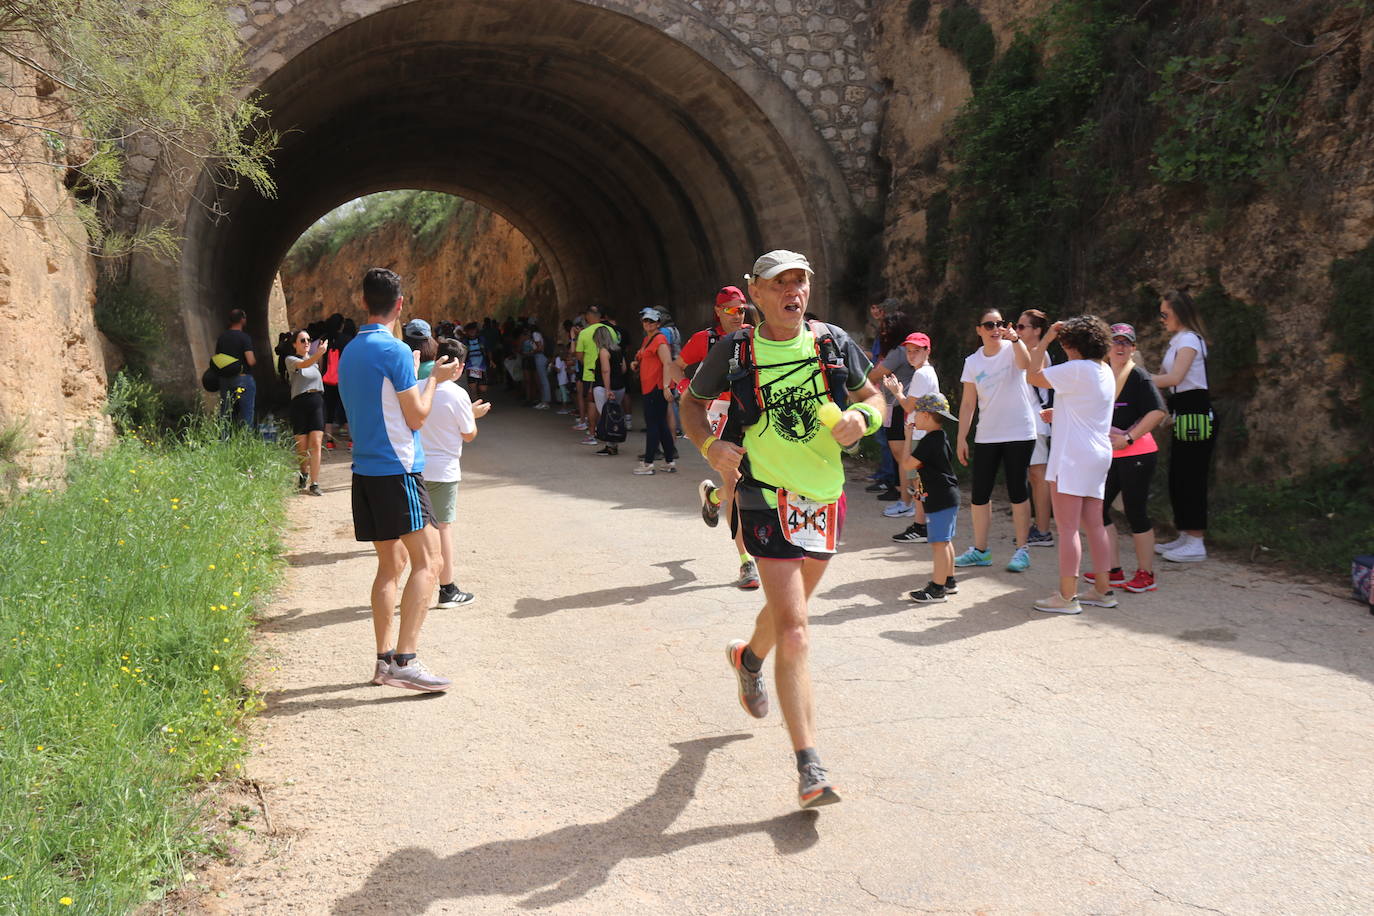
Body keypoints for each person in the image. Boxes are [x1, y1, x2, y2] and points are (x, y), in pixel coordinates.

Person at [684, 249, 882, 809]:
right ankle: (810, 765)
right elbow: (692, 406)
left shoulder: (832, 343)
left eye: (801, 283)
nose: (793, 292)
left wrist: (860, 419)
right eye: (780, 284)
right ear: (755, 292)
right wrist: (708, 445)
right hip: (763, 495)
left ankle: (747, 658)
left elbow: (875, 398)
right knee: (796, 628)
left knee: (784, 615)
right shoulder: (735, 349)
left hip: (824, 498)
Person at [338, 267, 461, 692]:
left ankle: (383, 659)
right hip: (399, 471)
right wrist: (433, 379)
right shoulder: (392, 352)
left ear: (364, 301)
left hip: (366, 472)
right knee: (431, 561)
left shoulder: (351, 349)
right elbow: (417, 415)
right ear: (401, 305)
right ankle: (406, 661)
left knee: (390, 566)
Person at [1026, 316, 1117, 615]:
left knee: (1067, 529)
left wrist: (1045, 340)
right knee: (1095, 524)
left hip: (1073, 457)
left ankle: (1067, 597)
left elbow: (1032, 374)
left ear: (1070, 344)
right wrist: (1061, 412)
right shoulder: (1104, 370)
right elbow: (1086, 407)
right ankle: (1103, 591)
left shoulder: (1076, 369)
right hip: (1098, 454)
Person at [675, 285, 759, 590]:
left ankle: (712, 497)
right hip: (719, 413)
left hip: (751, 411)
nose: (738, 316)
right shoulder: (704, 339)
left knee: (751, 483)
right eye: (731, 311)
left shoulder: (755, 335)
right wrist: (686, 387)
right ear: (718, 312)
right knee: (736, 484)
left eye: (742, 310)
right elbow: (676, 365)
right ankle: (746, 562)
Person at [1086, 323, 1168, 593]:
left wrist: (1128, 438)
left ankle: (1147, 574)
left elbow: (1158, 412)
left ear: (1133, 348)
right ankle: (1114, 569)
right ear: (1106, 347)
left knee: (1136, 513)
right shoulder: (1102, 374)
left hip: (1138, 454)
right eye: (1115, 341)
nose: (1120, 346)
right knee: (1097, 510)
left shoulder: (1139, 376)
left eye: (1125, 342)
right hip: (1109, 455)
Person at [954, 309, 1036, 573]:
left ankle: (1022, 550)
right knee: (979, 494)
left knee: (1017, 490)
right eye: (989, 324)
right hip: (987, 434)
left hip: (1019, 432)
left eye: (999, 323)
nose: (995, 328)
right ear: (979, 329)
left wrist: (1016, 340)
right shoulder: (973, 361)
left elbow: (1026, 365)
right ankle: (980, 550)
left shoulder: (1013, 349)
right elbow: (968, 404)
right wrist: (961, 438)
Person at [420, 337, 491, 608]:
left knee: (420, 528)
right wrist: (472, 415)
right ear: (460, 367)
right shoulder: (458, 393)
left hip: (417, 467)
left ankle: (420, 582)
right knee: (443, 528)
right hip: (444, 470)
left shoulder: (418, 387)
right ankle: (447, 588)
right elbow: (468, 434)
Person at [1151, 289, 1213, 563]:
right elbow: (1166, 378)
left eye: (1166, 314)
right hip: (1182, 410)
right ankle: (1187, 535)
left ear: (1180, 313)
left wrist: (1137, 377)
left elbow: (1175, 376)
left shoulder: (1189, 340)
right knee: (1179, 476)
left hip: (1195, 412)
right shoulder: (1178, 340)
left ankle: (1196, 540)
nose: (1162, 319)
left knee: (1192, 477)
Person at [901, 393, 961, 602]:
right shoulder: (940, 436)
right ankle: (949, 581)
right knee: (945, 541)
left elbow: (907, 463)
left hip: (940, 499)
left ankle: (937, 588)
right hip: (947, 496)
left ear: (926, 415)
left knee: (938, 543)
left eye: (916, 413)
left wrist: (908, 437)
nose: (914, 418)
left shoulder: (929, 441)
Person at [883, 332, 941, 543]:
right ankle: (921, 524)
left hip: (920, 433)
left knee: (919, 483)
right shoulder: (927, 372)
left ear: (927, 351)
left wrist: (896, 391)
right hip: (923, 432)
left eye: (917, 350)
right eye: (909, 351)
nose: (912, 354)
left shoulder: (921, 375)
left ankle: (920, 526)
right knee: (920, 483)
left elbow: (908, 406)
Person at [867, 310, 917, 508]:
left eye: (886, 328)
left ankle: (909, 500)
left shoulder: (898, 352)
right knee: (902, 456)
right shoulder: (902, 351)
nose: (883, 333)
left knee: (902, 456)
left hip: (898, 408)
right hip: (896, 407)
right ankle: (904, 497)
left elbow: (876, 374)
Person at [1016, 309, 1056, 547]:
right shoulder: (1028, 352)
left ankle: (1043, 530)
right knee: (1034, 476)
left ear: (1037, 330)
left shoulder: (1038, 354)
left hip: (1035, 422)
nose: (1017, 331)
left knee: (1038, 476)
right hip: (1026, 422)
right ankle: (1039, 527)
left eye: (1022, 327)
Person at [279, 328, 328, 496]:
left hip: (316, 402)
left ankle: (314, 483)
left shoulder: (314, 362)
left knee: (315, 443)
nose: (307, 342)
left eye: (308, 339)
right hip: (299, 403)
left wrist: (318, 355)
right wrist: (319, 353)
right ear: (294, 344)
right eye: (302, 340)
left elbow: (313, 365)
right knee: (302, 446)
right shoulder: (291, 359)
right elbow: (303, 364)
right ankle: (303, 474)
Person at [631, 308, 678, 474]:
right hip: (650, 387)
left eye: (651, 321)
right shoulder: (648, 340)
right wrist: (635, 363)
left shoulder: (660, 340)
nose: (648, 324)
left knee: (653, 425)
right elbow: (643, 356)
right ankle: (670, 461)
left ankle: (648, 463)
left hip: (656, 388)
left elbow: (667, 363)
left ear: (658, 323)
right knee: (661, 425)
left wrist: (666, 387)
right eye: (645, 321)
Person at [212, 309, 257, 429]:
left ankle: (224, 441)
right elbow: (250, 361)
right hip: (242, 379)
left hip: (225, 380)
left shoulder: (222, 337)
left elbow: (218, 359)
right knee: (246, 414)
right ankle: (246, 442)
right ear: (242, 319)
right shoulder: (244, 337)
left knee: (225, 414)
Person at [575, 306, 611, 446]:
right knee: (608, 403)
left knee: (592, 403)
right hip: (609, 372)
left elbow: (578, 355)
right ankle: (608, 431)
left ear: (588, 317)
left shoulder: (584, 333)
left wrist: (589, 364)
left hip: (590, 373)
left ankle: (592, 434)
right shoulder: (610, 330)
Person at [591, 323, 627, 456]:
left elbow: (605, 370)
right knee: (615, 415)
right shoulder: (618, 350)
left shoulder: (603, 351)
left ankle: (610, 446)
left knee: (606, 415)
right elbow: (624, 369)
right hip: (620, 387)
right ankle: (613, 443)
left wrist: (607, 389)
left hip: (604, 387)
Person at [461, 322, 489, 396]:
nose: (472, 331)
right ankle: (476, 404)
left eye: (473, 329)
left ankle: (480, 401)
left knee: (483, 389)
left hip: (481, 367)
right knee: (473, 390)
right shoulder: (464, 341)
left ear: (476, 330)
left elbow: (488, 350)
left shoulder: (481, 339)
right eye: (470, 330)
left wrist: (491, 360)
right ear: (467, 331)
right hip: (470, 367)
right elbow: (462, 354)